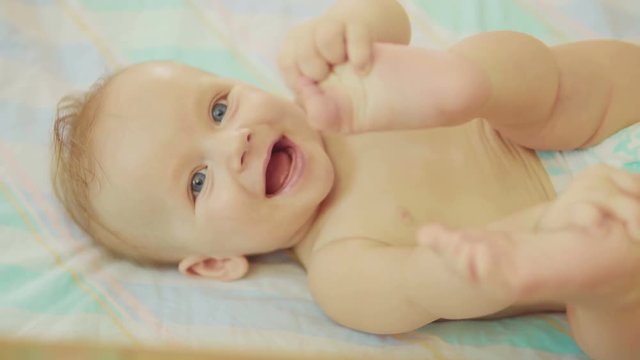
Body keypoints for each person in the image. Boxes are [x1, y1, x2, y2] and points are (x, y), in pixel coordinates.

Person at [51, 0, 640, 358]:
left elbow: (387, 23)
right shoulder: (340, 270)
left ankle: (469, 83)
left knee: (528, 81)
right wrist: (489, 258)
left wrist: (349, 26)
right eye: (197, 183)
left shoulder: (333, 96)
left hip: (594, 121)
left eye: (219, 109)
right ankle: (576, 263)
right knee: (608, 333)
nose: (236, 143)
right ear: (215, 262)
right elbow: (425, 283)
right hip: (607, 235)